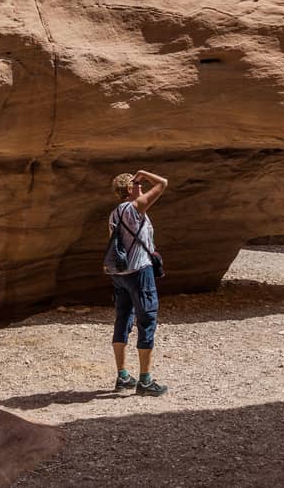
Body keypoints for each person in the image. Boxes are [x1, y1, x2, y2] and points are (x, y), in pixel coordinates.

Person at [107, 169, 169, 396]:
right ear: (129, 189)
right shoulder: (135, 207)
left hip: (119, 274)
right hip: (139, 272)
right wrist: (143, 173)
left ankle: (122, 376)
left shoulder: (114, 214)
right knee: (147, 320)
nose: (141, 187)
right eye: (137, 185)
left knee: (122, 318)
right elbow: (163, 182)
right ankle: (145, 381)